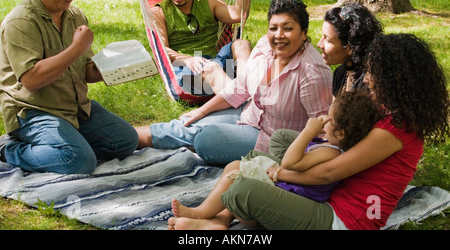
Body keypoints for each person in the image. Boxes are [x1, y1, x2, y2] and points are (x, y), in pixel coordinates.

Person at [167, 33, 449, 230]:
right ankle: (220, 220)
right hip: (326, 195)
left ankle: (224, 217)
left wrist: (278, 174)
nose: (370, 78)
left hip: (341, 220)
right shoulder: (389, 114)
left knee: (245, 189)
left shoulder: (396, 131)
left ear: (396, 79)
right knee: (247, 162)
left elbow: (330, 172)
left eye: (375, 73)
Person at [136, 0, 332, 165]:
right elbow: (241, 86)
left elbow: (322, 133)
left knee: (206, 140)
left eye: (288, 28)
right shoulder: (265, 46)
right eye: (273, 28)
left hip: (271, 140)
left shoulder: (312, 72)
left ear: (304, 32)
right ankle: (129, 137)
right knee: (188, 124)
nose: (278, 36)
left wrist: (292, 164)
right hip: (249, 113)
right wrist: (201, 111)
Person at [0, 0, 138, 174]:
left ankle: (64, 142)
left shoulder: (75, 16)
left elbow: (86, 72)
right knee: (80, 161)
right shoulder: (21, 21)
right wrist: (76, 48)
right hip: (33, 110)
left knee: (126, 141)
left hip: (75, 107)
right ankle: (9, 148)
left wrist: (116, 66)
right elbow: (31, 80)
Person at [170, 91, 380, 222]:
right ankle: (219, 216)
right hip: (288, 184)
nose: (324, 119)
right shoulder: (332, 146)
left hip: (292, 193)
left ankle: (200, 213)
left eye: (330, 118)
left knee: (233, 175)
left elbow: (291, 162)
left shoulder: (329, 151)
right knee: (235, 165)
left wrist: (309, 131)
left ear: (341, 134)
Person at [153, 0, 254, 95]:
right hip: (188, 71)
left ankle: (247, 87)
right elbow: (161, 49)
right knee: (211, 69)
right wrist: (187, 59)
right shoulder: (160, 11)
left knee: (242, 44)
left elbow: (240, 13)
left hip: (216, 62)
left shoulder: (208, 4)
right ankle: (245, 100)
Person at [317, 2, 383, 97]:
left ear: (350, 47)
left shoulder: (368, 83)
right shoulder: (340, 74)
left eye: (327, 39)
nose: (319, 44)